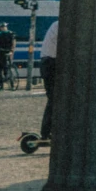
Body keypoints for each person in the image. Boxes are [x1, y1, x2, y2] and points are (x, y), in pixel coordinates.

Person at [38, 14, 58, 144]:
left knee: (53, 99)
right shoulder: (62, 26)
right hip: (52, 63)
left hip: (47, 63)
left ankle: (47, 131)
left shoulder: (55, 24)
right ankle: (46, 132)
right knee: (55, 99)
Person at [0, 20, 15, 90]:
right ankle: (12, 85)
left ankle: (1, 85)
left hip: (1, 52)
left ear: (0, 28)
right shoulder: (11, 33)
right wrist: (12, 51)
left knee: (0, 69)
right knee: (8, 68)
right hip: (9, 52)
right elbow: (14, 43)